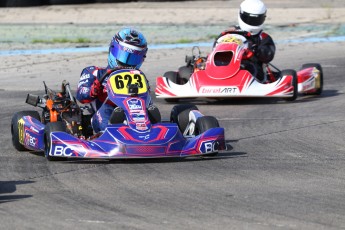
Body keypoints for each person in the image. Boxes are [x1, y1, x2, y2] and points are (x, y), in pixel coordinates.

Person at [76, 27, 148, 133]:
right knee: (107, 110)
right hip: (102, 114)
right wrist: (93, 90)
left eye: (133, 59)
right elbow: (81, 97)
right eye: (124, 56)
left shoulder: (138, 77)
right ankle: (109, 134)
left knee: (150, 111)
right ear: (112, 50)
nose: (127, 63)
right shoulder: (94, 72)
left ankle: (149, 133)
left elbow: (147, 100)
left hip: (134, 113)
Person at [214, 0, 276, 82]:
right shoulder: (228, 33)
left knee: (247, 66)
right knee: (199, 63)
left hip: (251, 70)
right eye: (249, 19)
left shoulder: (262, 37)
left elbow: (268, 56)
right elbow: (215, 48)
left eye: (256, 19)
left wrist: (257, 51)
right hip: (223, 64)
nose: (252, 22)